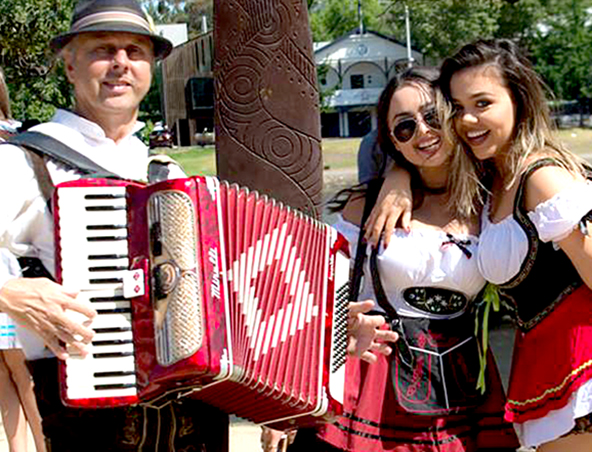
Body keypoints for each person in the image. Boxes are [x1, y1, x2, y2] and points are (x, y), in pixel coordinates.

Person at [0, 1, 229, 450]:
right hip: (81, 424)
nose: (121, 64)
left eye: (135, 51)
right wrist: (9, 294)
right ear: (69, 65)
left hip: (187, 424)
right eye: (103, 50)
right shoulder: (23, 162)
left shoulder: (172, 178)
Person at [276, 67, 518, 452]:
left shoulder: (493, 199)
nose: (422, 131)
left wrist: (399, 173)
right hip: (376, 377)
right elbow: (312, 291)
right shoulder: (368, 204)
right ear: (392, 141)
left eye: (432, 116)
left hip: (463, 379)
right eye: (404, 127)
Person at [370, 39, 592, 452]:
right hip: (543, 359)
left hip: (581, 357)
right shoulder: (491, 184)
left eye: (483, 103)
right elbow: (428, 158)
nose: (468, 119)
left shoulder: (543, 179)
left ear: (518, 102)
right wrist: (397, 174)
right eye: (457, 107)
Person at [0, 68, 46, 452]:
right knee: (4, 378)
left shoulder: (11, 145)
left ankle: (46, 445)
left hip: (11, 275)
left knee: (22, 374)